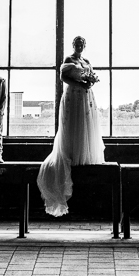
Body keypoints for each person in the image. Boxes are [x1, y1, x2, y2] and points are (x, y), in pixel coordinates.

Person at [37, 36, 105, 216]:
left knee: (85, 124)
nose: (80, 46)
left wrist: (89, 83)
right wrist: (80, 83)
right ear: (73, 45)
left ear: (85, 45)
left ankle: (84, 155)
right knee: (73, 125)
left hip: (85, 96)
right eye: (77, 44)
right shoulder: (69, 60)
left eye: (82, 44)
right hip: (74, 96)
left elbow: (90, 77)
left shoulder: (87, 61)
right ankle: (72, 154)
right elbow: (63, 77)